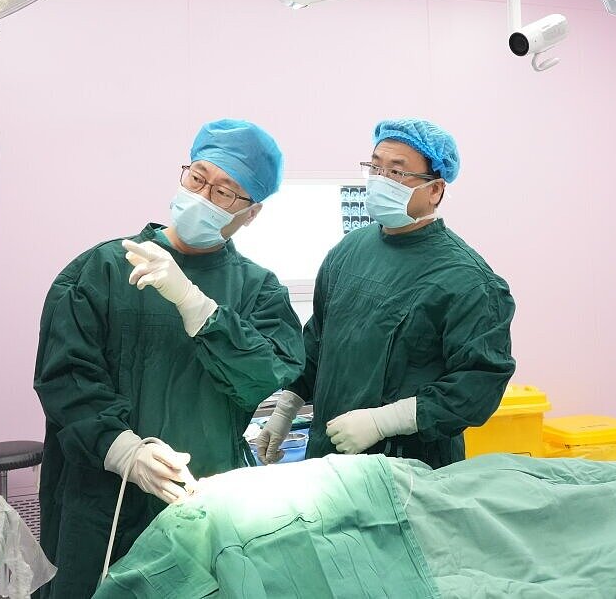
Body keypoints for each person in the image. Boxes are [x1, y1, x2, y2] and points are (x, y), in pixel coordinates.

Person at [33, 119, 304, 597]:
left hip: (201, 497)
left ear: (252, 212)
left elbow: (263, 377)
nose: (203, 196)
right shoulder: (102, 269)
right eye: (197, 178)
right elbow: (64, 376)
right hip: (102, 504)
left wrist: (199, 309)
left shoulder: (259, 290)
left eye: (224, 192)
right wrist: (125, 451)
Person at [257, 118, 515, 469]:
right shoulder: (348, 250)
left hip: (409, 470)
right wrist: (286, 408)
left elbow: (477, 385)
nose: (380, 181)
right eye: (375, 168)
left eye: (396, 172)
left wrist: (385, 421)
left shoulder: (468, 280)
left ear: (435, 190)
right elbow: (318, 338)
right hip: (328, 454)